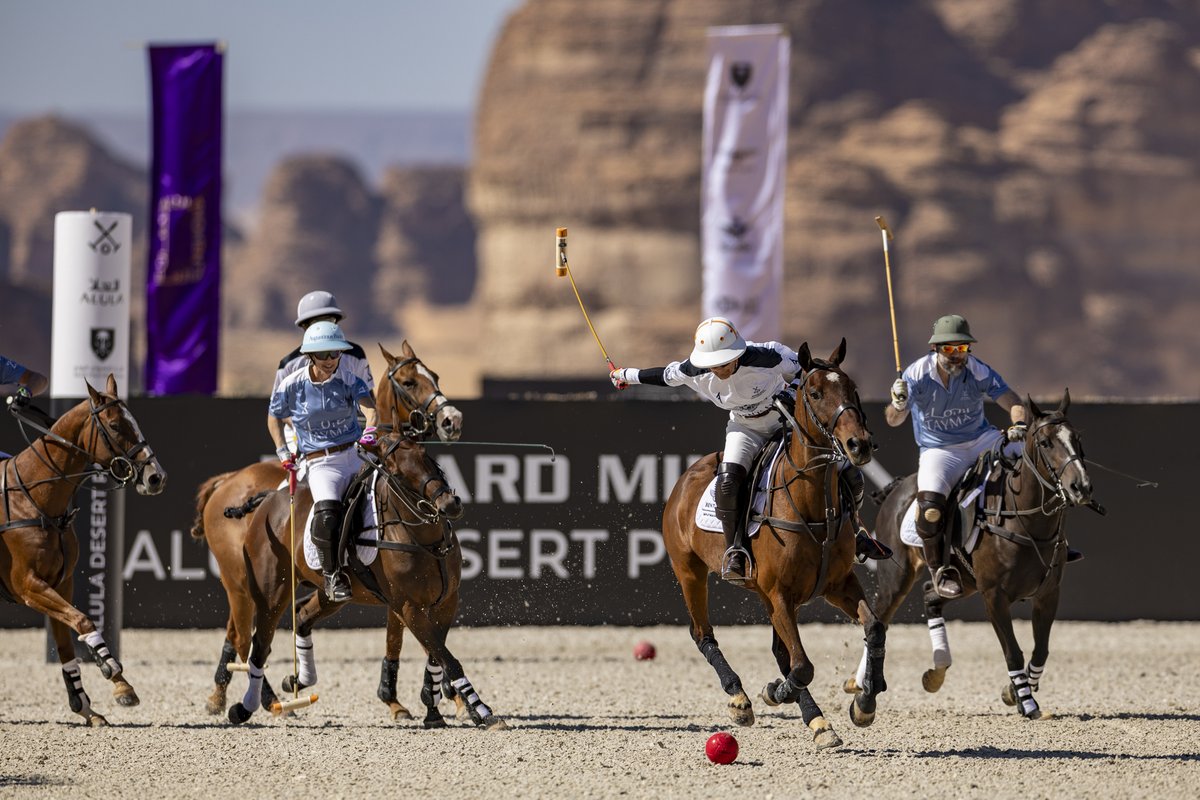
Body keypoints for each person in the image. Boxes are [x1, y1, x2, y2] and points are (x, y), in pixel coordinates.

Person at [610, 316, 891, 585]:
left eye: (726, 362)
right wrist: (625, 375)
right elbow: (663, 375)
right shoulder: (694, 371)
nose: (720, 369)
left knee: (848, 473)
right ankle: (735, 550)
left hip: (787, 422)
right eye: (714, 364)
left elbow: (809, 374)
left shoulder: (768, 356)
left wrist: (790, 389)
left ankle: (857, 533)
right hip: (745, 429)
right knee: (729, 483)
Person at [885, 313, 1078, 600]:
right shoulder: (916, 375)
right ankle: (941, 570)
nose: (956, 356)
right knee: (930, 508)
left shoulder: (977, 370)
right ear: (935, 349)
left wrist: (1019, 426)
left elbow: (1012, 401)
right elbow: (892, 420)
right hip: (940, 450)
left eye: (962, 349)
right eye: (949, 349)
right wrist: (898, 403)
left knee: (1034, 466)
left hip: (981, 440)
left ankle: (1055, 544)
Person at [268, 320, 377, 603]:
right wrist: (282, 451)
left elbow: (371, 410)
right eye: (324, 355)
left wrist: (369, 432)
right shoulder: (292, 385)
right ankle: (332, 575)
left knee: (384, 499)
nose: (331, 360)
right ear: (310, 356)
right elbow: (274, 418)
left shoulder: (351, 380)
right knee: (327, 513)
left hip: (354, 455)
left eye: (336, 354)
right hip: (321, 463)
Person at [268, 291, 374, 454]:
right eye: (316, 322)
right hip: (302, 436)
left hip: (351, 431)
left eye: (329, 320)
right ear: (304, 326)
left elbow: (368, 398)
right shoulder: (288, 364)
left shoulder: (356, 355)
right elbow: (280, 412)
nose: (323, 326)